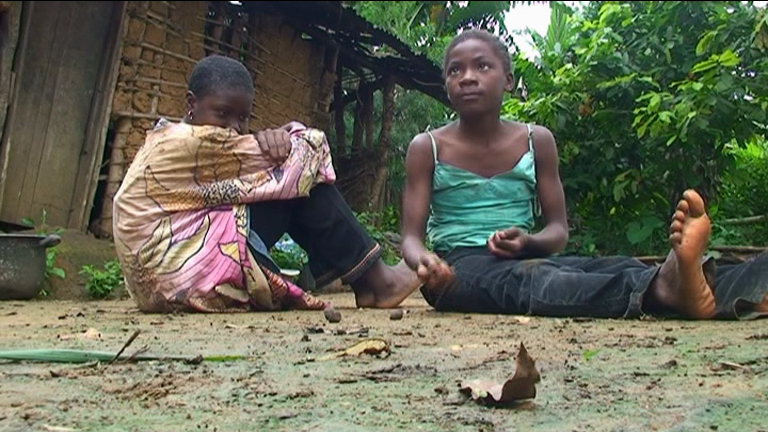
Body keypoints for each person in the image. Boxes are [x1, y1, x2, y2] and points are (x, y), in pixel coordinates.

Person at [400, 29, 768, 320]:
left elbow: (558, 233)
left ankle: (751, 283)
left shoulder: (536, 140)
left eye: (482, 67)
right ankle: (664, 289)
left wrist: (528, 241)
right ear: (446, 85)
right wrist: (426, 263)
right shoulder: (427, 147)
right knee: (539, 282)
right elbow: (411, 239)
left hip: (527, 256)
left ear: (509, 80)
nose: (467, 77)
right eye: (455, 71)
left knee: (611, 265)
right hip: (458, 270)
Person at [113, 55, 417, 313]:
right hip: (187, 276)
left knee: (278, 182)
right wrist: (289, 134)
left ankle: (356, 279)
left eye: (243, 118)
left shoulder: (165, 139)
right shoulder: (189, 144)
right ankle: (377, 283)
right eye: (223, 113)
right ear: (191, 103)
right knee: (298, 186)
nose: (234, 128)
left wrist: (270, 141)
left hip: (159, 285)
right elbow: (310, 154)